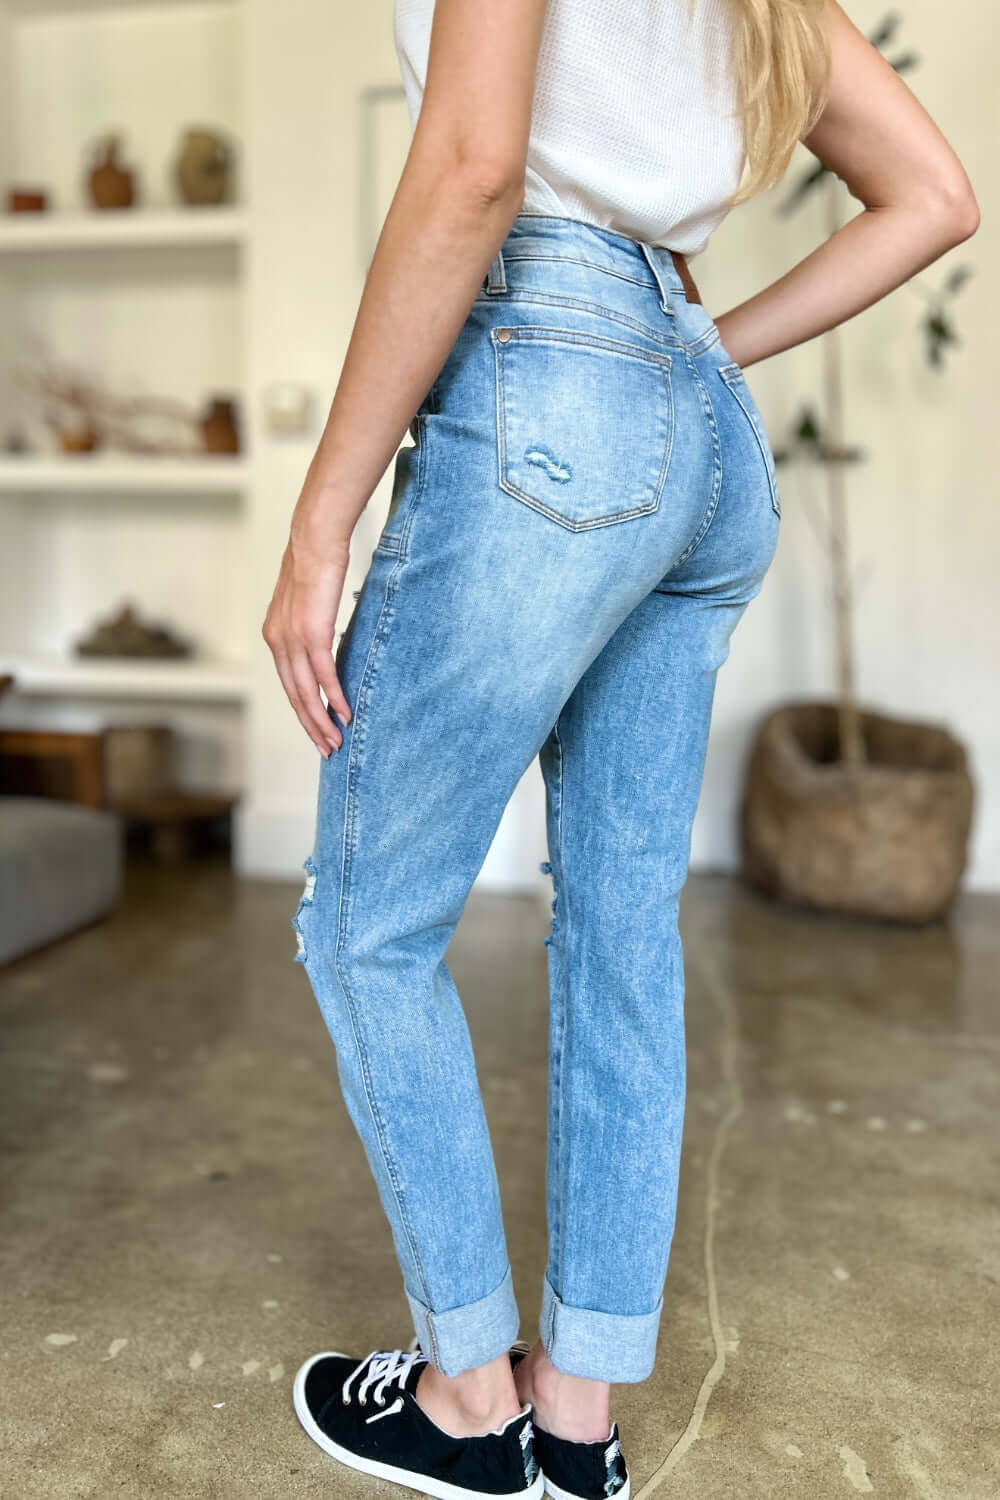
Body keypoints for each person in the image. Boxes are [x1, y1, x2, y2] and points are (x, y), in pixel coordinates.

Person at [262, 1, 979, 1495]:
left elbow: (471, 171)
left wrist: (320, 517)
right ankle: (576, 1429)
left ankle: (470, 1400)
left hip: (552, 379)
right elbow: (937, 196)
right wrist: (707, 348)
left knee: (369, 927)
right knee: (620, 938)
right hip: (700, 443)